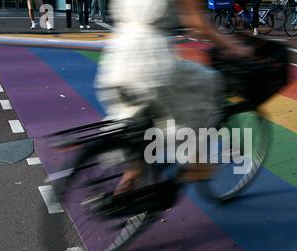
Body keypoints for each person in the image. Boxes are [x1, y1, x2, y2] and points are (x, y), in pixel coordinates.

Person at [94, 0, 252, 234]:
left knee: (143, 122)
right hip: (150, 61)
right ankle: (196, 162)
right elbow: (197, 23)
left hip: (117, 58)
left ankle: (131, 175)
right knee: (209, 84)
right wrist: (236, 48)